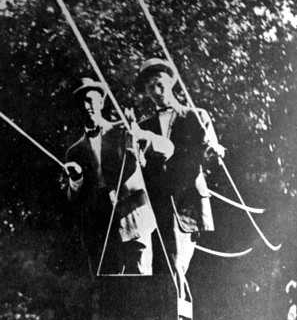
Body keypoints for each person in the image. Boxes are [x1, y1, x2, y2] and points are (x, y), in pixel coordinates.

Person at [64, 77, 174, 278]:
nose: (86, 106)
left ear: (101, 102)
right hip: (101, 230)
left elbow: (168, 148)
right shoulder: (75, 151)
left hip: (134, 221)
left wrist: (140, 135)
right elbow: (74, 199)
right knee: (108, 295)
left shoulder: (124, 130)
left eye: (91, 100)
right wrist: (76, 180)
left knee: (139, 287)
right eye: (81, 102)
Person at [136, 58, 225, 294]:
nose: (155, 92)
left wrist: (213, 151)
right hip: (158, 207)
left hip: (188, 206)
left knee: (176, 267)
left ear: (171, 82)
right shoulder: (143, 126)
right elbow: (140, 167)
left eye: (159, 84)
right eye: (149, 87)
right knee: (164, 270)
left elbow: (210, 155)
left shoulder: (196, 117)